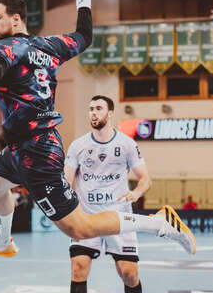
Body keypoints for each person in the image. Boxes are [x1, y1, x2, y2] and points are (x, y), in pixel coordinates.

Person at [0, 0, 195, 260]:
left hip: (38, 151)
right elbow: (83, 36)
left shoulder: (4, 49)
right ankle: (2, 239)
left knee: (80, 228)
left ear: (15, 19)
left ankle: (160, 223)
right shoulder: (49, 46)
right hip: (23, 146)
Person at [64, 96, 150, 293]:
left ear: (110, 113)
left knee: (129, 274)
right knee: (78, 269)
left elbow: (145, 178)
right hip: (87, 217)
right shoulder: (78, 146)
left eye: (99, 108)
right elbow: (66, 181)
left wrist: (136, 193)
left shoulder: (127, 144)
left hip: (119, 218)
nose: (93, 112)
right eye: (91, 108)